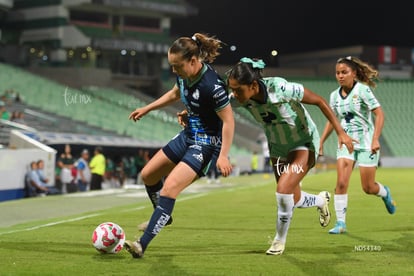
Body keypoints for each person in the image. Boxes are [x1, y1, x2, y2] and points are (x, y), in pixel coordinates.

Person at [226, 57, 354, 255]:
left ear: (253, 85)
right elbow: (215, 107)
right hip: (277, 148)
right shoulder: (240, 98)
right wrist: (189, 114)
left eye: (237, 89)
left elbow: (319, 101)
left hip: (303, 144)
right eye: (231, 89)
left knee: (283, 189)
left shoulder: (281, 88)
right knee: (291, 198)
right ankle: (320, 201)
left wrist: (341, 132)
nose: (233, 94)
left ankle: (279, 241)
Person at [124, 33, 234, 258]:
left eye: (177, 66)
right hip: (188, 135)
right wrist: (147, 108)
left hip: (206, 144)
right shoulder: (184, 75)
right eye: (171, 66)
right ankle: (163, 215)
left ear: (193, 61)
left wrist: (223, 155)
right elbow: (176, 93)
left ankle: (141, 245)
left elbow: (228, 121)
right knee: (148, 176)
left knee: (169, 189)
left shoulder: (212, 85)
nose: (174, 71)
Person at [319, 56, 396, 234]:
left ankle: (385, 192)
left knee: (368, 188)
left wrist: (376, 138)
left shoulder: (363, 90)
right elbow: (332, 120)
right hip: (346, 144)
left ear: (353, 73)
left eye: (344, 72)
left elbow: (380, 114)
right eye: (337, 73)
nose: (340, 76)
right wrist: (321, 141)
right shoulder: (333, 96)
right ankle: (340, 223)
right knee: (341, 183)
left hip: (367, 144)